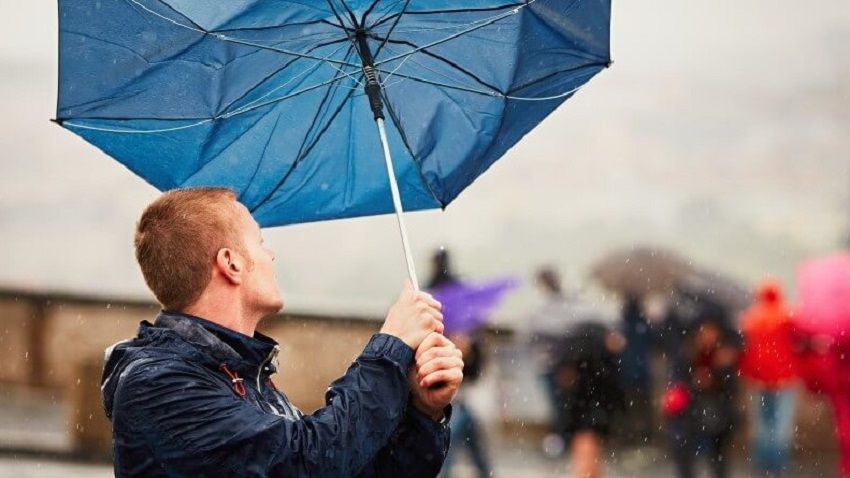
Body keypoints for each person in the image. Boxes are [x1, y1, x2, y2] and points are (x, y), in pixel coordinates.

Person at [101, 187, 464, 477]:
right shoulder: (159, 383)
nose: (270, 254)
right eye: (259, 241)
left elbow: (350, 467)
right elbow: (310, 461)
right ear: (231, 263)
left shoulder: (238, 374)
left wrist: (422, 412)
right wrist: (392, 345)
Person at [427, 247, 494, 478]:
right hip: (461, 396)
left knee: (450, 447)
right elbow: (475, 365)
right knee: (460, 446)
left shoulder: (429, 297)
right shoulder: (462, 302)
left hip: (454, 397)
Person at [739, 279, 798, 476]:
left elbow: (745, 348)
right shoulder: (787, 316)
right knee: (781, 421)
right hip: (784, 377)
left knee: (762, 421)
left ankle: (762, 459)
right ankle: (778, 461)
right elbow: (799, 341)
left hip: (758, 378)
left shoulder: (751, 317)